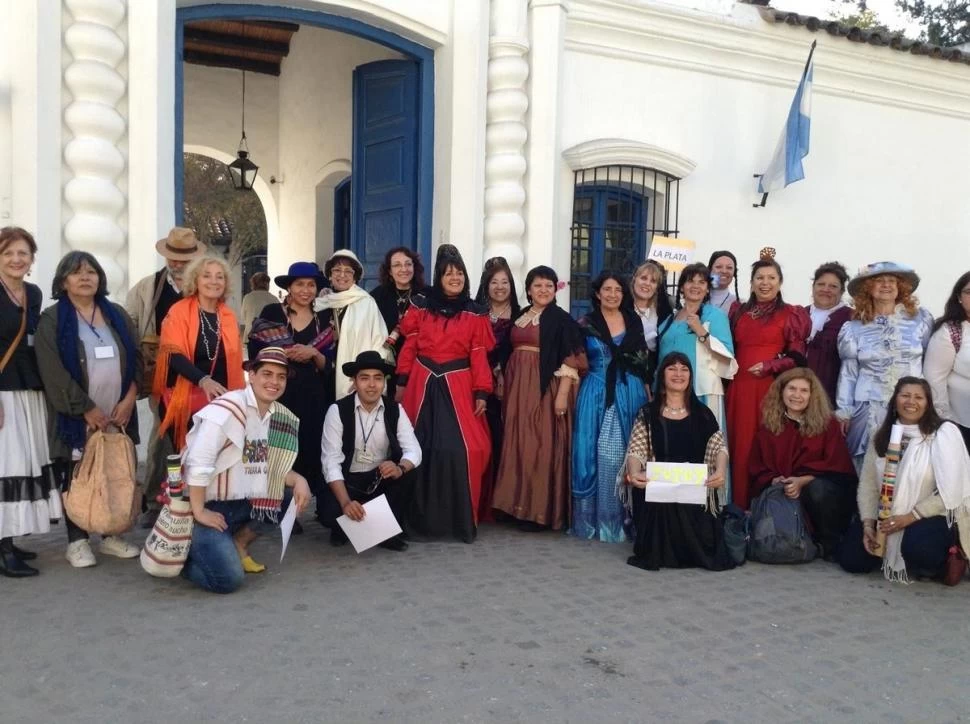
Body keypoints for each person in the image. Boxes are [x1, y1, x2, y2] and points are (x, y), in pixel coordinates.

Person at [35, 251, 143, 568]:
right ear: (63, 281)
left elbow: (137, 360)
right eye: (77, 272)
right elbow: (52, 371)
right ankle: (77, 540)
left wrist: (129, 399)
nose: (85, 277)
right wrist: (86, 409)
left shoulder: (117, 315)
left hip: (117, 412)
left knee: (115, 472)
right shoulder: (53, 320)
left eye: (91, 272)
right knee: (78, 475)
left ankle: (110, 535)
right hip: (77, 415)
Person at [181, 346, 311, 593]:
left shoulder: (271, 414)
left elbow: (265, 467)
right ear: (251, 375)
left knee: (285, 499)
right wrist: (199, 511)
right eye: (267, 374)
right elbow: (198, 462)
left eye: (280, 377)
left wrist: (299, 480)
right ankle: (184, 560)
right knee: (230, 580)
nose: (274, 382)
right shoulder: (229, 408)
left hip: (237, 500)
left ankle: (237, 543)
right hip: (205, 506)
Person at [394, 244, 494, 543]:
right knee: (416, 449)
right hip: (422, 383)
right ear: (439, 276)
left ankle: (459, 522)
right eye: (449, 273)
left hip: (460, 384)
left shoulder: (475, 312)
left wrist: (482, 392)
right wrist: (401, 382)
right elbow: (410, 345)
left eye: (460, 273)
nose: (455, 278)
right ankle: (415, 521)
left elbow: (478, 355)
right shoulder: (422, 305)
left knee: (469, 450)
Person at [838, 377, 970, 583]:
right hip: (887, 515)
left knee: (920, 552)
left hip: (928, 515)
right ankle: (890, 548)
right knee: (852, 561)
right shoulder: (880, 435)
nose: (911, 402)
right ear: (895, 400)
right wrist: (868, 525)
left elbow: (951, 491)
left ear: (928, 404)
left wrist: (909, 517)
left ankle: (939, 558)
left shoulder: (944, 434)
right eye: (905, 395)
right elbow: (868, 485)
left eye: (919, 397)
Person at [492, 265, 585, 531]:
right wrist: (501, 377)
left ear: (555, 289)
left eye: (548, 285)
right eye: (538, 285)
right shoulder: (522, 316)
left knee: (540, 445)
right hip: (518, 388)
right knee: (518, 444)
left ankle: (540, 511)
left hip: (546, 388)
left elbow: (572, 359)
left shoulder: (561, 319)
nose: (544, 290)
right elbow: (507, 351)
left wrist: (562, 396)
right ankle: (515, 506)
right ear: (529, 290)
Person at [622, 352, 734, 571]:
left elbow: (718, 447)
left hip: (694, 493)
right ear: (661, 375)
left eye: (684, 369)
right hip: (658, 495)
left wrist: (720, 471)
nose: (678, 373)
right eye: (672, 368)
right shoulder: (647, 413)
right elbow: (636, 450)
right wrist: (635, 473)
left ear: (690, 377)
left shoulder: (703, 413)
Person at [125, 226, 206, 528]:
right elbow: (129, 321)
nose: (177, 264)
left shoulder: (205, 285)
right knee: (163, 438)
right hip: (162, 374)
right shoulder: (149, 287)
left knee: (200, 437)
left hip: (199, 373)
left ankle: (197, 497)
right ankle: (154, 501)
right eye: (173, 258)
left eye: (183, 258)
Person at [248, 262, 333, 523]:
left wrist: (314, 353)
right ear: (289, 287)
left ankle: (319, 505)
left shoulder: (327, 317)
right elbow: (255, 352)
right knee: (281, 449)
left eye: (311, 285)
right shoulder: (272, 312)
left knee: (312, 447)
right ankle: (284, 511)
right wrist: (282, 353)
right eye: (300, 284)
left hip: (314, 395)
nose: (306, 290)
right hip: (279, 394)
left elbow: (333, 362)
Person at [726, 248, 810, 509]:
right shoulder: (738, 312)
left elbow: (798, 356)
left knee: (765, 448)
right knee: (738, 447)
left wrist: (770, 365)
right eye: (759, 278)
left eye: (771, 278)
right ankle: (736, 508)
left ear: (780, 282)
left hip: (772, 389)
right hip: (739, 389)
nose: (765, 283)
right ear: (751, 283)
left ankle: (766, 510)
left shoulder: (792, 314)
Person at [0, 227, 61, 577]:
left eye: (23, 253)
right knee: (6, 465)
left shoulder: (33, 293)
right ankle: (3, 548)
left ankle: (8, 537)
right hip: (3, 390)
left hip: (29, 389)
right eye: (9, 253)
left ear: (32, 259)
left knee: (24, 462)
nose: (16, 259)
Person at [572, 271, 650, 542]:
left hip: (630, 391)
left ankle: (620, 522)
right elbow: (574, 360)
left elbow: (642, 360)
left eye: (617, 289)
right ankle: (593, 523)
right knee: (591, 454)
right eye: (607, 289)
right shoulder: (585, 324)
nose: (613, 294)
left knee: (622, 454)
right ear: (597, 293)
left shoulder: (633, 321)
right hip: (596, 391)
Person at [748, 368, 857, 559]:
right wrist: (774, 479)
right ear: (781, 391)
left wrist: (803, 481)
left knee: (819, 489)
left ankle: (828, 542)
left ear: (812, 395)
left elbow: (838, 467)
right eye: (792, 389)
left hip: (819, 491)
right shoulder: (769, 426)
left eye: (804, 390)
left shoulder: (827, 424)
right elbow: (757, 467)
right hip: (784, 490)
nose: (797, 395)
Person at [319, 351, 422, 551]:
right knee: (328, 512)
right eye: (364, 378)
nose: (372, 385)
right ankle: (348, 525)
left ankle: (382, 532)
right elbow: (330, 462)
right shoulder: (337, 410)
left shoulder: (395, 410)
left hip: (378, 479)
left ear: (384, 382)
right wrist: (346, 502)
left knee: (410, 474)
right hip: (349, 480)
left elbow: (414, 450)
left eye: (378, 378)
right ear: (354, 382)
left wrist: (400, 468)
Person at [836, 262, 933, 468]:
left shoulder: (921, 320)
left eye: (891, 281)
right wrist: (844, 410)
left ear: (900, 288)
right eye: (879, 281)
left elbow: (929, 364)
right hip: (869, 407)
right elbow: (849, 373)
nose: (886, 285)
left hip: (912, 406)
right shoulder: (853, 328)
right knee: (870, 467)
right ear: (867, 289)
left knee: (910, 465)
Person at [153, 255, 244, 453]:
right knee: (192, 463)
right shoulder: (179, 311)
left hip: (220, 402)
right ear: (195, 280)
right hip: (186, 401)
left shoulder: (228, 315)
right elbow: (172, 354)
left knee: (217, 460)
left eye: (220, 277)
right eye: (207, 276)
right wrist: (203, 380)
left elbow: (233, 362)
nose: (214, 281)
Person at [657, 262, 735, 440]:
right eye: (690, 281)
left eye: (701, 282)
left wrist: (701, 331)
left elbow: (727, 355)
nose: (695, 286)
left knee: (704, 444)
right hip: (671, 392)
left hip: (702, 391)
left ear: (708, 289)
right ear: (682, 287)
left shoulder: (714, 315)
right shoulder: (670, 318)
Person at [473, 256, 521, 509]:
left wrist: (502, 372)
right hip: (478, 385)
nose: (500, 287)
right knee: (482, 439)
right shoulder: (475, 313)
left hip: (510, 386)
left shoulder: (521, 315)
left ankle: (503, 501)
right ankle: (480, 499)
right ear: (486, 285)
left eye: (505, 282)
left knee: (505, 439)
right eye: (494, 282)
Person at [314, 249, 389, 400]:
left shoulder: (366, 303)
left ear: (355, 277)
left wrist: (367, 377)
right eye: (337, 270)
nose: (342, 275)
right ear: (329, 274)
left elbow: (379, 342)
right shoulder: (321, 303)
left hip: (352, 377)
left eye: (348, 271)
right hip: (322, 376)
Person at [370, 247, 425, 401]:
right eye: (397, 265)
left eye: (408, 264)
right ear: (389, 270)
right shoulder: (376, 297)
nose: (404, 269)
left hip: (418, 365)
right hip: (387, 364)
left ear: (415, 267)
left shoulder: (427, 295)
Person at [923, 271, 970, 446]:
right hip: (962, 425)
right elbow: (934, 379)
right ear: (959, 297)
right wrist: (945, 420)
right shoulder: (951, 331)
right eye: (969, 292)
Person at [803, 262, 852, 406]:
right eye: (821, 284)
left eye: (833, 286)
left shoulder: (850, 318)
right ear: (813, 287)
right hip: (796, 393)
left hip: (831, 395)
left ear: (842, 291)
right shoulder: (799, 314)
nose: (826, 289)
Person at [629, 260, 673, 355]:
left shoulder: (662, 313)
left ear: (657, 287)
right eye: (643, 278)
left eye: (653, 281)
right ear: (634, 279)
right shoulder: (623, 308)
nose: (647, 283)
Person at [239, 272, 277, 342]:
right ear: (267, 284)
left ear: (253, 284)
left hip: (251, 337)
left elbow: (243, 317)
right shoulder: (274, 299)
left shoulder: (248, 298)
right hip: (269, 338)